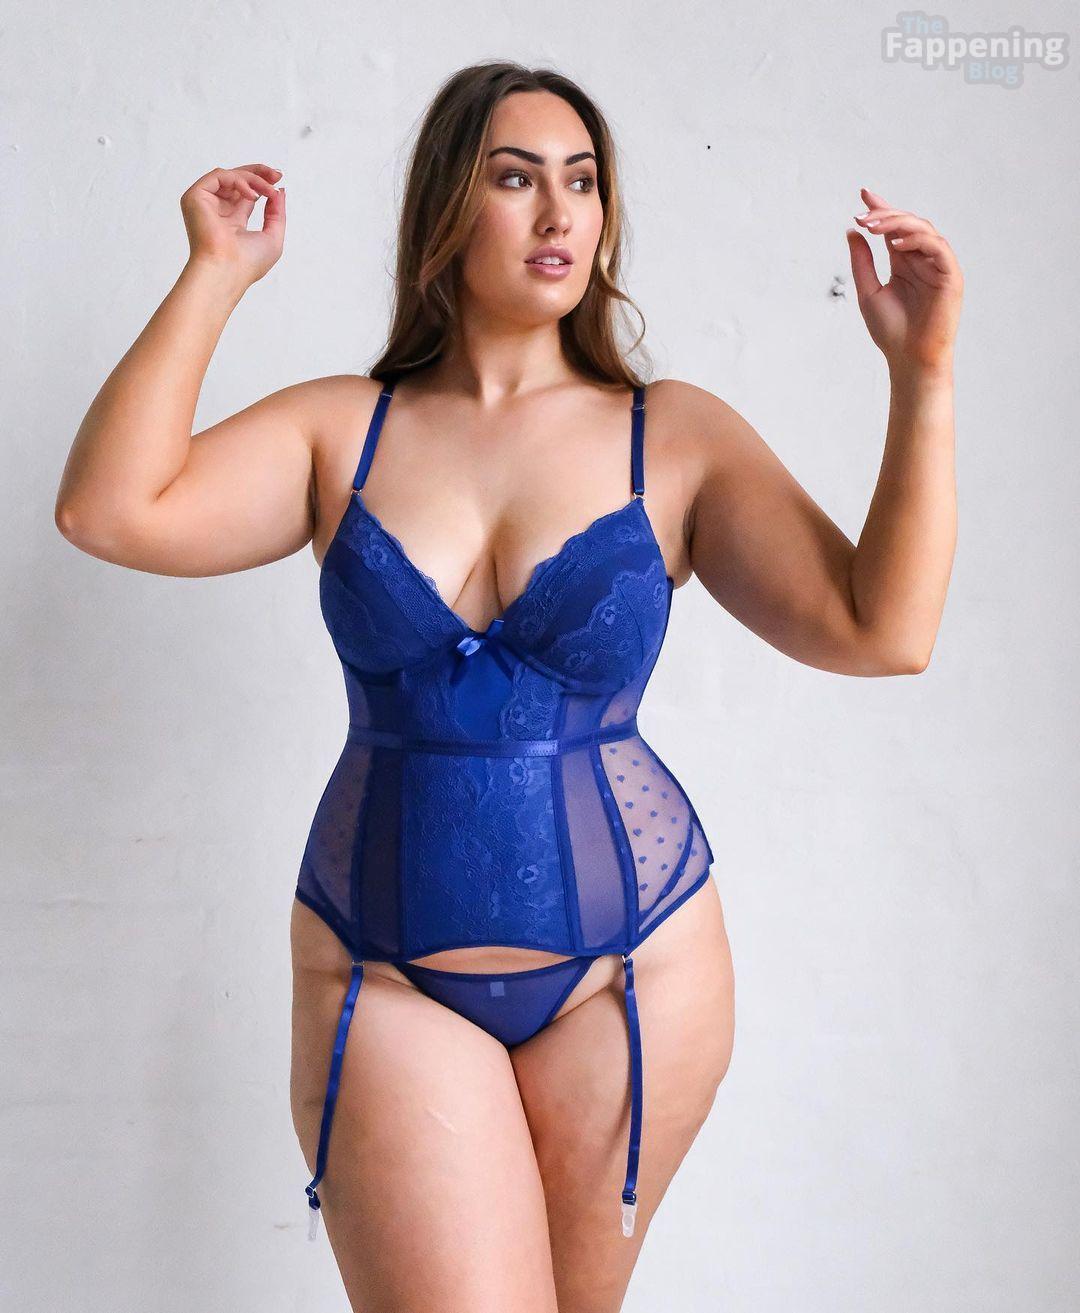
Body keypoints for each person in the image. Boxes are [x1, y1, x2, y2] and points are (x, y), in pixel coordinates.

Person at [54, 60, 960, 1313]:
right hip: (383, 967)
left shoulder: (670, 435)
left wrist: (923, 374)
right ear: (446, 207)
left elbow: (884, 629)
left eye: (582, 182)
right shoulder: (343, 430)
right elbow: (109, 509)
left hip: (633, 972)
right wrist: (214, 273)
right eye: (517, 178)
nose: (559, 213)